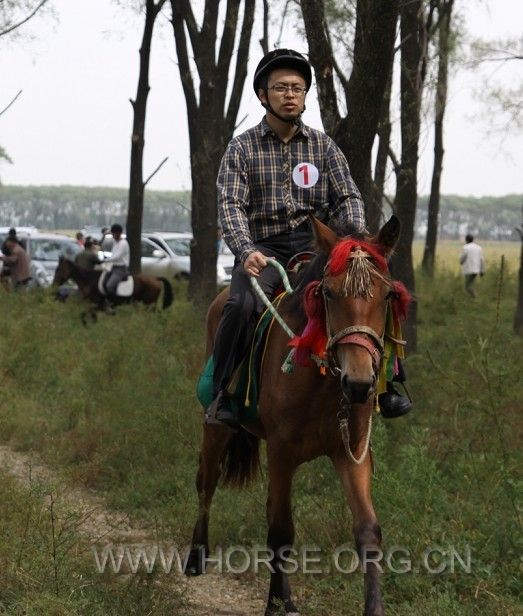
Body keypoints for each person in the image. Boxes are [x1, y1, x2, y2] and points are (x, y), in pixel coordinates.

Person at [207, 48, 411, 427]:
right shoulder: (241, 148)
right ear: (263, 95)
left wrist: (350, 238)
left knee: (381, 291)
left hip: (316, 247)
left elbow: (348, 194)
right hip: (264, 251)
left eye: (298, 88)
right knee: (237, 307)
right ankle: (223, 398)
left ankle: (389, 384)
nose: (290, 94)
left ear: (304, 96)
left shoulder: (324, 147)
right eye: (281, 87)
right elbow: (230, 204)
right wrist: (245, 250)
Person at [103, 223, 130, 299]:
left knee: (109, 286)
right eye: (113, 233)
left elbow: (117, 257)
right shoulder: (115, 242)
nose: (113, 235)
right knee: (102, 281)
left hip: (121, 269)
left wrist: (105, 260)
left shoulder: (123, 243)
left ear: (119, 233)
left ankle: (115, 302)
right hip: (113, 267)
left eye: (114, 233)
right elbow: (113, 255)